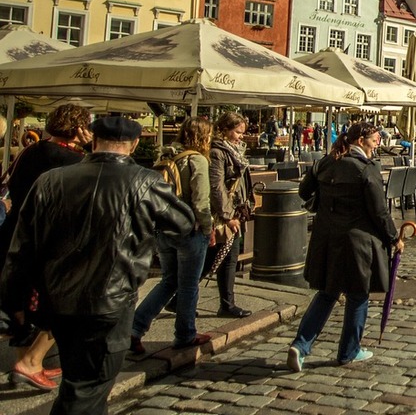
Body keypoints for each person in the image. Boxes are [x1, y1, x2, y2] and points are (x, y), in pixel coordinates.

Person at [0, 116, 194, 414]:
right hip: (110, 301)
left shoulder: (51, 179)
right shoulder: (144, 181)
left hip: (59, 298)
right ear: (134, 144)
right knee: (88, 387)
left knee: (79, 382)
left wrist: (14, 303)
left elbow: (21, 249)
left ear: (94, 141)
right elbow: (183, 223)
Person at [288, 122, 404, 371]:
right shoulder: (366, 168)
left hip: (327, 237)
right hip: (357, 240)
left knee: (327, 292)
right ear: (361, 141)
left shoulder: (326, 162)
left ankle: (300, 345)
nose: (378, 143)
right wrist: (394, 238)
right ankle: (349, 351)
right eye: (375, 139)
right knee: (358, 294)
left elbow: (304, 191)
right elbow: (379, 211)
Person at [0, 104, 91, 391]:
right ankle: (30, 362)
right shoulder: (75, 160)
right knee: (60, 304)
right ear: (79, 128)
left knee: (20, 302)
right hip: (49, 240)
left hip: (15, 230)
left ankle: (26, 362)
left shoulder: (31, 150)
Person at [131, 118, 215, 355]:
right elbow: (201, 200)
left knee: (169, 280)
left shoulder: (166, 155)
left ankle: (135, 328)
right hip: (189, 230)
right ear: (203, 137)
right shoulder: (197, 160)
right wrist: (207, 228)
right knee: (188, 285)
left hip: (163, 228)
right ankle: (185, 334)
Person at [207, 113, 254, 318]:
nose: (241, 137)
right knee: (218, 259)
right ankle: (226, 305)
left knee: (225, 258)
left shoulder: (234, 151)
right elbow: (216, 187)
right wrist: (227, 216)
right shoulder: (217, 153)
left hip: (235, 210)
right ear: (224, 130)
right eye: (237, 132)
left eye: (242, 132)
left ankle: (227, 304)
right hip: (223, 215)